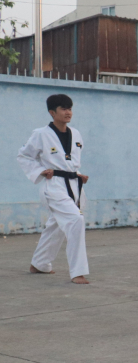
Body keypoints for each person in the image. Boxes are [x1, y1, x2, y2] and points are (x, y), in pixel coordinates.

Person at [19, 94, 91, 284]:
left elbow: (69, 162)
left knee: (57, 225)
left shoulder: (76, 134)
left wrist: (78, 174)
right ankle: (78, 272)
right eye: (63, 109)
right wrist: (41, 171)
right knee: (75, 220)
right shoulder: (41, 134)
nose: (68, 112)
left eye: (70, 108)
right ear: (52, 112)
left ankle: (40, 263)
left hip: (73, 185)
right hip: (54, 186)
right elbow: (24, 156)